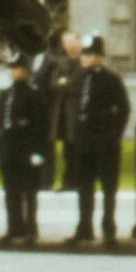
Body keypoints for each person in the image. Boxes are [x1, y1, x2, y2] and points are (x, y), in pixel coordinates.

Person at [67, 33, 130, 244]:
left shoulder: (111, 79)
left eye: (90, 54)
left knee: (108, 188)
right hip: (84, 141)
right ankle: (84, 226)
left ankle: (108, 228)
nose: (84, 58)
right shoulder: (80, 78)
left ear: (100, 56)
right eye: (83, 54)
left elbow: (123, 109)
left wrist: (113, 135)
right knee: (84, 187)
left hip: (105, 142)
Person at [0, 56, 48, 243]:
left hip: (26, 150)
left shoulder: (34, 94)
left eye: (17, 68)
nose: (14, 72)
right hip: (8, 149)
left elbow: (41, 126)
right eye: (11, 68)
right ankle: (14, 227)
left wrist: (38, 151)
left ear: (25, 71)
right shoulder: (5, 94)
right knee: (11, 192)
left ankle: (30, 228)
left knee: (29, 192)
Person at [36, 29, 81, 193]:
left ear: (78, 41)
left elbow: (78, 82)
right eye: (65, 41)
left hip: (75, 111)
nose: (68, 45)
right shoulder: (58, 60)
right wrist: (64, 84)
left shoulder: (84, 59)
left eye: (71, 41)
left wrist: (66, 84)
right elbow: (53, 83)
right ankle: (48, 181)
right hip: (59, 111)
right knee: (54, 148)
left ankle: (72, 182)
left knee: (73, 148)